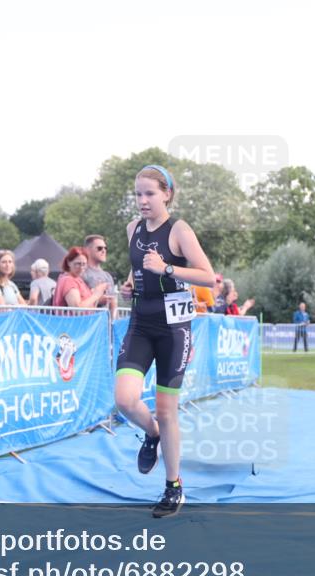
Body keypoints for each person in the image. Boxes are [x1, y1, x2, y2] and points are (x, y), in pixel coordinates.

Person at [115, 165, 215, 518]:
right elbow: (139, 265)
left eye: (150, 194)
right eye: (138, 194)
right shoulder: (133, 229)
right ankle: (152, 434)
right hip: (141, 322)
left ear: (167, 194)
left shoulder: (179, 230)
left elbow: (208, 277)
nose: (142, 201)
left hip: (174, 329)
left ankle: (174, 487)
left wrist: (168, 269)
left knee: (166, 409)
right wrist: (130, 282)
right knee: (125, 399)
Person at [83, 234, 118, 312]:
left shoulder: (108, 276)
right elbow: (77, 302)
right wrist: (97, 299)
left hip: (105, 322)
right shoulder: (82, 273)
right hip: (88, 321)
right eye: (99, 248)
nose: (104, 250)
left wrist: (114, 322)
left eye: (105, 248)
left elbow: (114, 304)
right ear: (87, 250)